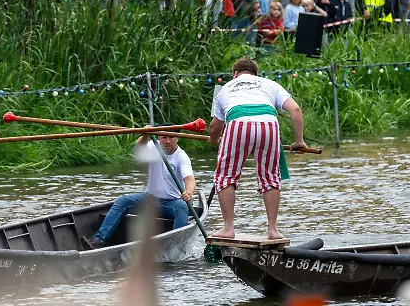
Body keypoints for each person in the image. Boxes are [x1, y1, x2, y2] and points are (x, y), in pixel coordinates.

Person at [208, 58, 306, 240]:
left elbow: (215, 127)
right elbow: (296, 110)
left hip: (237, 122)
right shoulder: (270, 84)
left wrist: (214, 140)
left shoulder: (225, 88)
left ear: (235, 74)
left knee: (226, 176)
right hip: (269, 123)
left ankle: (228, 228)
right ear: (255, 74)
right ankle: (273, 230)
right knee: (270, 176)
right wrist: (299, 141)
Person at [82, 132, 195, 249]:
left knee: (182, 206)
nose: (167, 141)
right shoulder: (154, 145)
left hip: (172, 203)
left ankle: (176, 247)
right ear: (158, 138)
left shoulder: (181, 157)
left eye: (171, 137)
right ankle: (99, 240)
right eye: (164, 137)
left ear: (177, 138)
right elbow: (139, 147)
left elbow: (189, 178)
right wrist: (145, 135)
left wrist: (189, 191)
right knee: (122, 201)